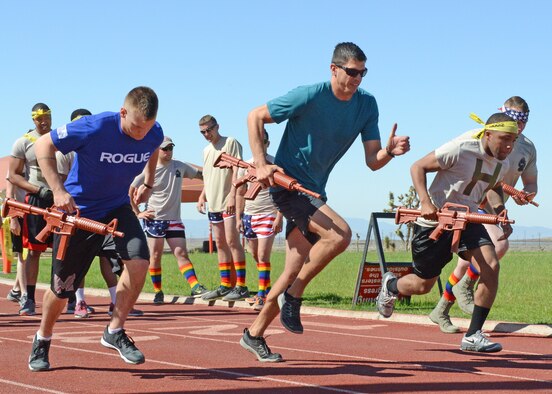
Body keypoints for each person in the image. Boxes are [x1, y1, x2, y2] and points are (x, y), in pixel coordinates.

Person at [239, 42, 410, 362]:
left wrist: (390, 151)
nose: (358, 78)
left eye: (363, 72)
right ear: (334, 69)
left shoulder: (366, 105)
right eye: (352, 72)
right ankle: (295, 295)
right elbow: (254, 116)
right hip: (289, 186)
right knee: (340, 234)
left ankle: (254, 333)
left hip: (315, 192)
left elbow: (373, 160)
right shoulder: (309, 95)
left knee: (290, 270)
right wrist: (261, 162)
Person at [28, 86, 163, 371]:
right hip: (80, 213)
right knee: (62, 289)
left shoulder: (153, 132)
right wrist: (58, 190)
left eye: (146, 128)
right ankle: (42, 338)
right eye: (136, 127)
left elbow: (153, 147)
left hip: (117, 210)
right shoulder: (94, 127)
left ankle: (114, 330)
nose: (141, 134)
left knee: (139, 263)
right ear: (123, 112)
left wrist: (148, 182)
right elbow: (42, 146)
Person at [376, 112, 518, 353]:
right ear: (489, 133)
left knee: (491, 266)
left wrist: (501, 211)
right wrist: (425, 202)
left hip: (467, 219)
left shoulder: (503, 161)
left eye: (513, 141)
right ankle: (391, 286)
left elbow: (491, 186)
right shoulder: (460, 148)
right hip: (436, 222)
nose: (509, 146)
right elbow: (417, 166)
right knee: (423, 285)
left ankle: (473, 335)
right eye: (505, 139)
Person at [428, 96, 537, 333]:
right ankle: (466, 288)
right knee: (498, 246)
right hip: (471, 204)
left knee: (467, 262)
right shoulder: (482, 138)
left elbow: (530, 182)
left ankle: (442, 308)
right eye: (510, 117)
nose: (515, 124)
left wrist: (526, 194)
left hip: (496, 207)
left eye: (520, 120)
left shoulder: (527, 149)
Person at [59, 109, 143, 319]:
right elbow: (61, 182)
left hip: (107, 211)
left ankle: (115, 302)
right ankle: (79, 301)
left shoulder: (99, 142)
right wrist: (61, 197)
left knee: (109, 257)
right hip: (79, 210)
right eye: (78, 124)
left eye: (85, 123)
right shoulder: (66, 153)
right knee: (79, 262)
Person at [130, 135, 208, 304]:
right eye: (164, 148)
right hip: (155, 219)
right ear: (157, 150)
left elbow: (203, 175)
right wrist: (138, 213)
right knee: (155, 255)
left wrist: (215, 176)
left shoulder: (179, 166)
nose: (168, 151)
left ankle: (195, 286)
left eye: (170, 148)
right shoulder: (149, 170)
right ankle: (158, 291)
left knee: (181, 253)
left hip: (174, 219)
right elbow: (130, 190)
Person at [8, 103, 55, 316]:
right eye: (39, 118)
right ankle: (29, 297)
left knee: (63, 251)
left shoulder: (60, 139)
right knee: (34, 251)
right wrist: (37, 190)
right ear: (32, 120)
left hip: (60, 200)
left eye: (46, 116)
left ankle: (68, 297)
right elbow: (13, 175)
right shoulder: (23, 143)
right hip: (37, 200)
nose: (43, 121)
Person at [196, 115, 248, 302]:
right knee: (220, 243)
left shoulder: (230, 142)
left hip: (228, 201)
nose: (206, 134)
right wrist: (202, 196)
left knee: (232, 241)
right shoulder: (206, 150)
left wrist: (233, 196)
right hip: (214, 203)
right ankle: (225, 284)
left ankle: (241, 286)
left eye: (209, 130)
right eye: (202, 132)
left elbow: (238, 170)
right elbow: (208, 176)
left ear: (217, 127)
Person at [236, 129, 283, 311]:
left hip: (268, 214)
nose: (260, 144)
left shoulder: (275, 163)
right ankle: (266, 288)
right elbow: (240, 192)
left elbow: (283, 193)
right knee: (255, 255)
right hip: (249, 215)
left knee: (263, 256)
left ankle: (263, 296)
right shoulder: (245, 165)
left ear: (268, 143)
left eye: (263, 141)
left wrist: (279, 217)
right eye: (257, 141)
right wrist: (239, 217)